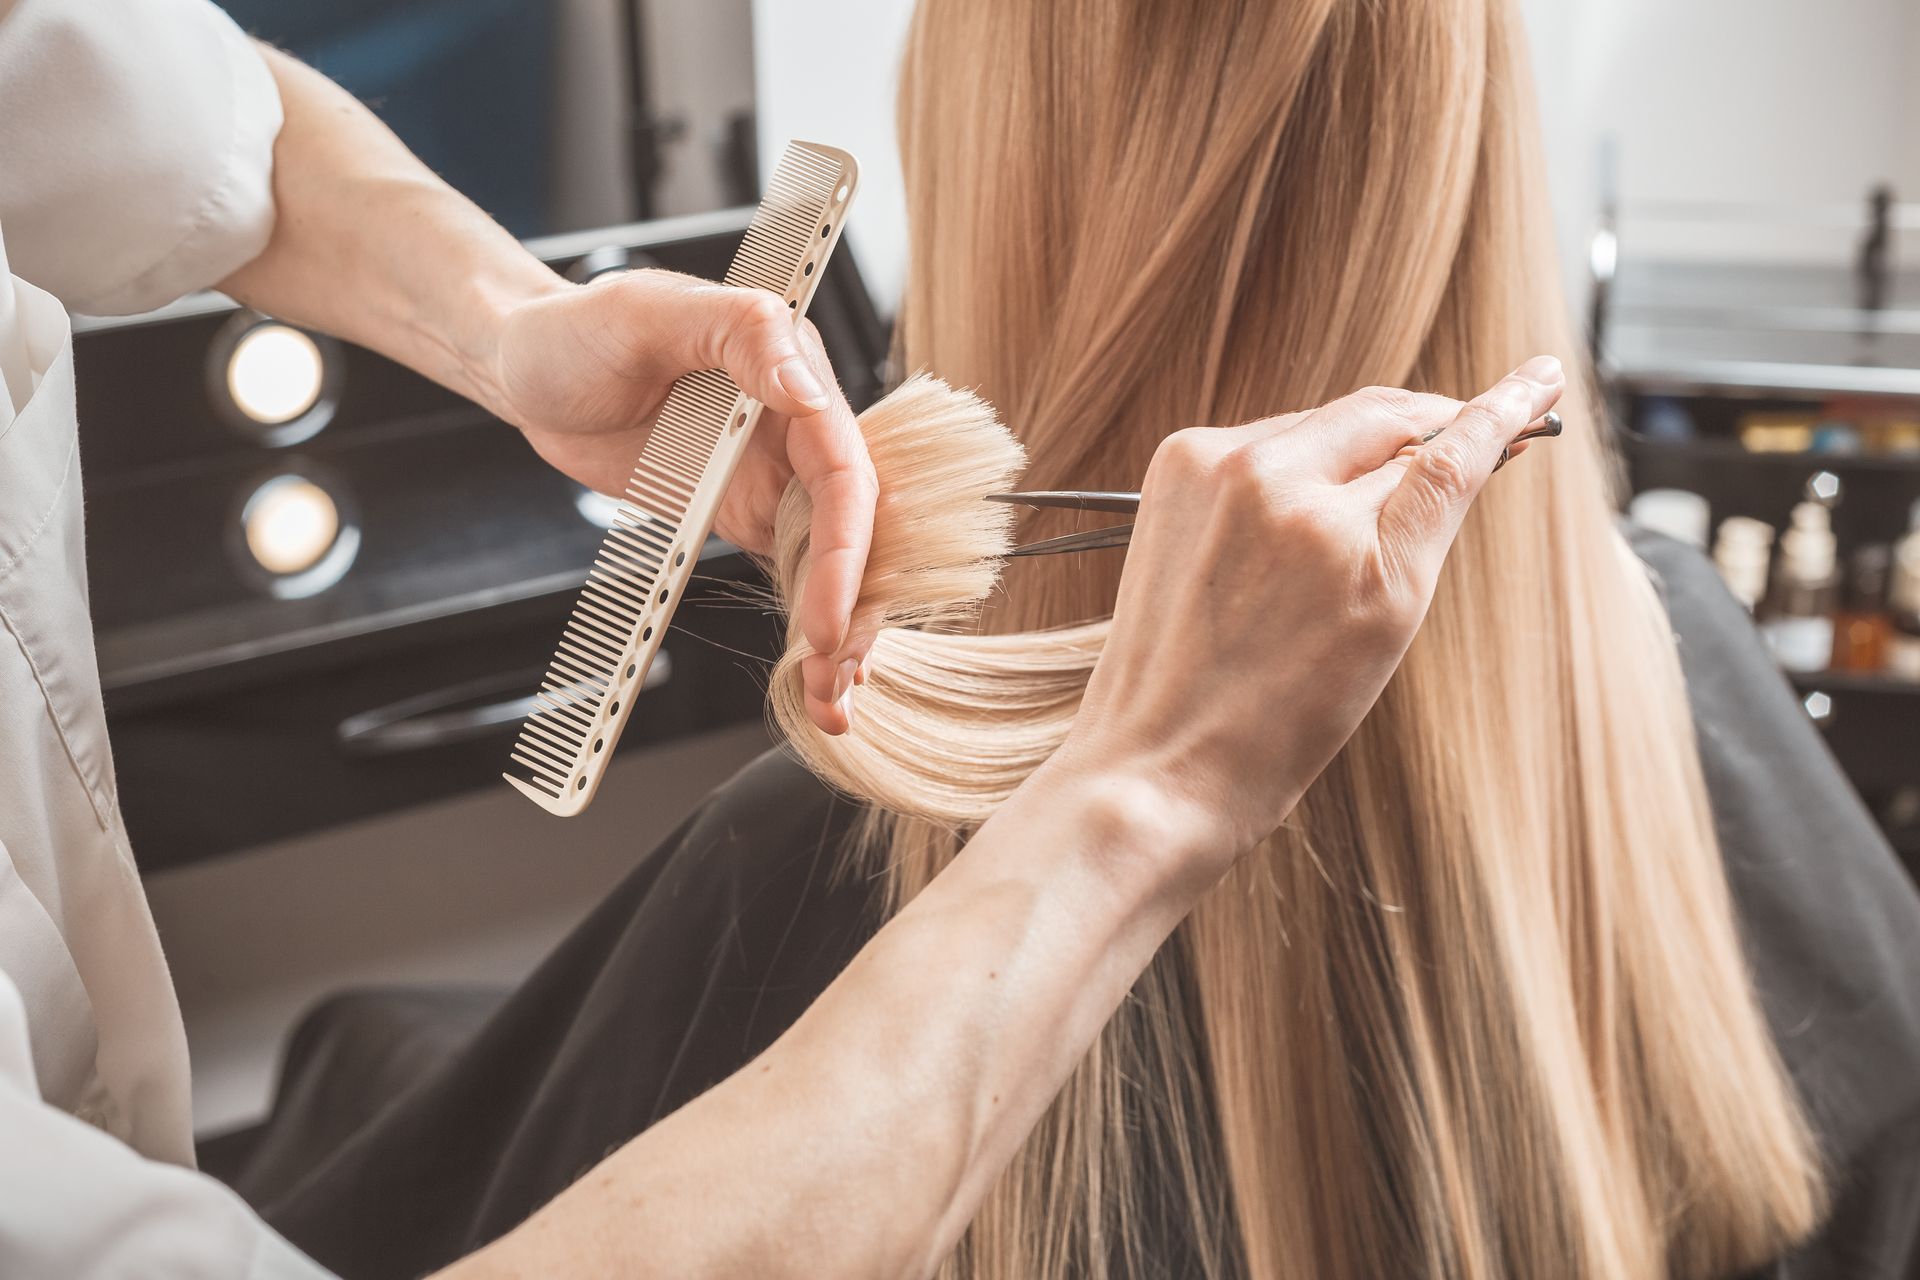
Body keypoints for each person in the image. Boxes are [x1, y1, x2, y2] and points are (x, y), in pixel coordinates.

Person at [259, 2, 1920, 1278]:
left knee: (340, 1055)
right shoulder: (1678, 633)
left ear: (1000, 163)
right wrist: (498, 325)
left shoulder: (829, 874)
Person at [0, 1, 1555, 1276]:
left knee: (355, 1045)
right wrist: (1145, 796)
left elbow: (204, 131)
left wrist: (517, 322)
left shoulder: (794, 864)